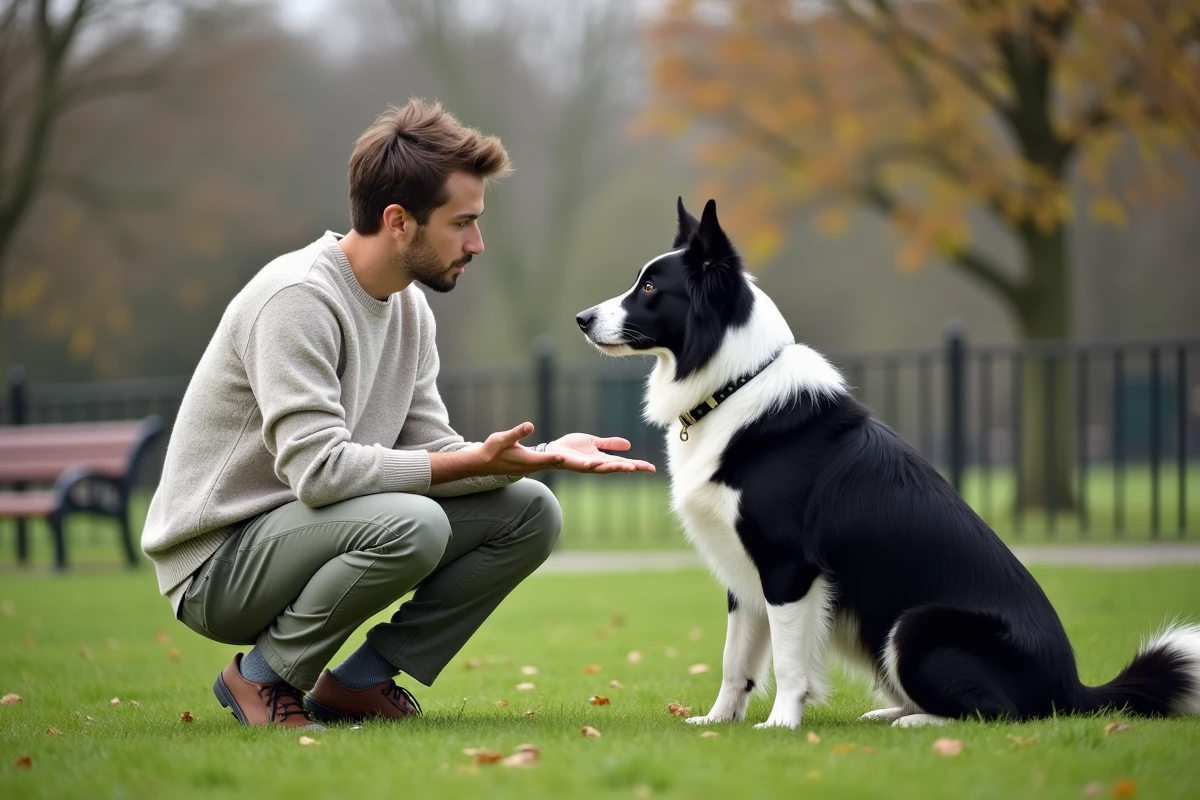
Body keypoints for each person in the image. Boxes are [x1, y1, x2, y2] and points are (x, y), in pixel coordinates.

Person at [140, 98, 656, 730]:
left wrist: (532, 458)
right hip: (219, 565)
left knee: (530, 511)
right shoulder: (298, 299)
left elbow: (433, 447)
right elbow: (320, 473)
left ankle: (361, 682)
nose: (478, 243)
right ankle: (261, 679)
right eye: (462, 222)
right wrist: (468, 461)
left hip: (310, 533)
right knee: (412, 523)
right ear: (398, 221)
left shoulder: (410, 310)